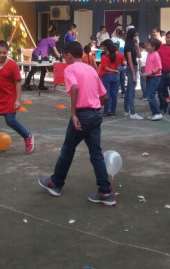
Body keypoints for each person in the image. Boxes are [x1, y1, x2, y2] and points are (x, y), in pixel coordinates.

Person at [37, 41, 115, 206]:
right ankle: (105, 191)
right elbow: (105, 96)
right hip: (95, 115)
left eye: (64, 56)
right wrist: (94, 107)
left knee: (67, 149)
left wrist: (74, 114)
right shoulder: (91, 69)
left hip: (82, 115)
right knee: (96, 154)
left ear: (69, 55)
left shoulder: (70, 69)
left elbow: (74, 88)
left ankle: (56, 183)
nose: (65, 59)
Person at [0, 40, 34, 157]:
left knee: (10, 120)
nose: (1, 55)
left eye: (4, 53)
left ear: (8, 52)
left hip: (9, 98)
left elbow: (18, 83)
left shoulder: (12, 65)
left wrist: (18, 100)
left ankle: (28, 136)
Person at [99, 39, 125, 117]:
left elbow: (105, 68)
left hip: (107, 76)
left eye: (103, 46)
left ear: (105, 47)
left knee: (107, 95)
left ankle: (106, 111)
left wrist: (112, 70)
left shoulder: (104, 56)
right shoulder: (117, 55)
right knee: (114, 95)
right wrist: (115, 70)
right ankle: (113, 111)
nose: (102, 47)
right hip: (115, 76)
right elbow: (120, 64)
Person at [140, 38, 163, 121]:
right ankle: (155, 113)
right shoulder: (149, 53)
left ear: (153, 47)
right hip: (150, 77)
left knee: (150, 95)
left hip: (155, 77)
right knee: (150, 95)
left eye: (148, 44)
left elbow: (159, 68)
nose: (146, 45)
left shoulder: (155, 55)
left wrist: (149, 73)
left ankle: (157, 113)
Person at [124, 28, 143, 119]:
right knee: (131, 90)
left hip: (133, 67)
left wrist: (137, 46)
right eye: (135, 35)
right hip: (131, 68)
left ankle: (126, 110)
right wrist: (134, 74)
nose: (136, 37)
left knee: (128, 90)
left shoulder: (133, 45)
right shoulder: (128, 45)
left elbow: (139, 56)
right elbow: (130, 61)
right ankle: (132, 112)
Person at [158, 30, 170, 114]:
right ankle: (163, 107)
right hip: (161, 72)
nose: (169, 39)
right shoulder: (160, 47)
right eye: (168, 37)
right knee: (161, 90)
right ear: (165, 37)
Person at [111, 29, 125, 96]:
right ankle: (123, 92)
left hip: (116, 67)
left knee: (117, 80)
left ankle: (115, 93)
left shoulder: (114, 39)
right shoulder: (122, 41)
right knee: (122, 80)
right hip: (122, 65)